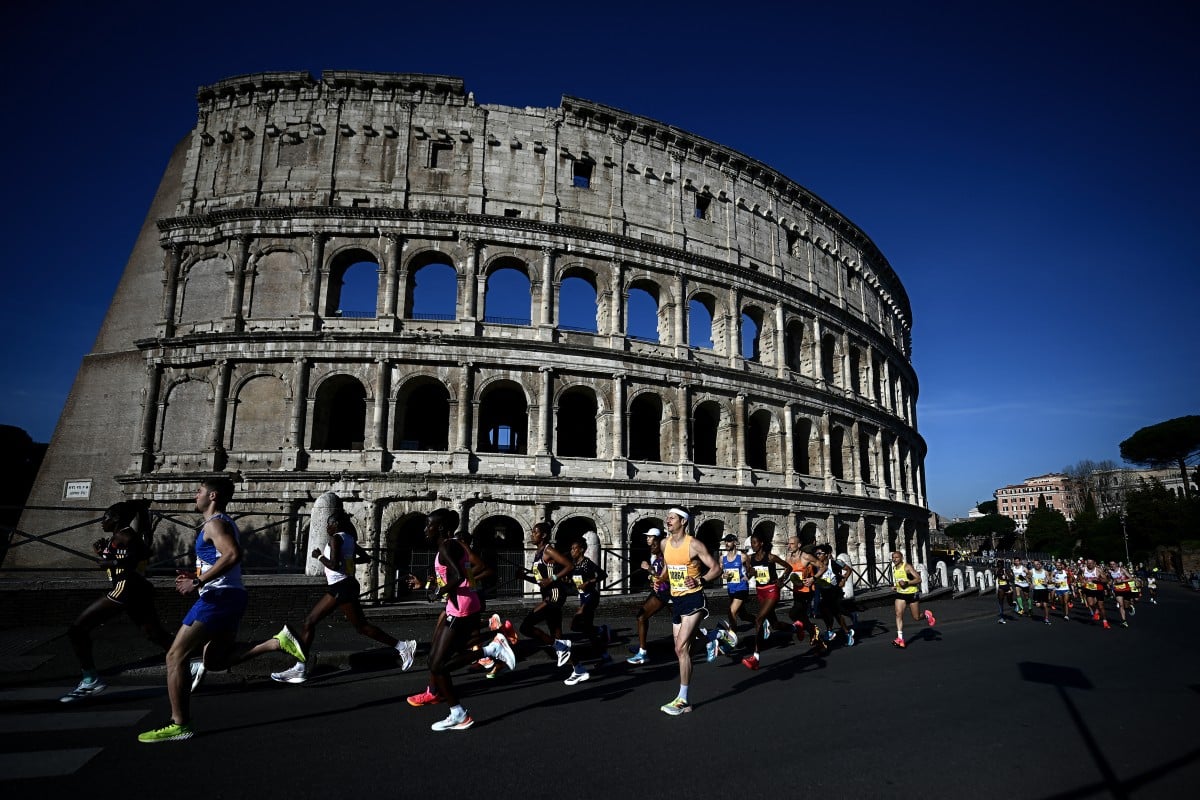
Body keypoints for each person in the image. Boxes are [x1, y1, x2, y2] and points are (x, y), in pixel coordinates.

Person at [138, 477, 309, 743]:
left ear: (213, 496)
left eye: (199, 492)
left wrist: (198, 581)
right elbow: (221, 558)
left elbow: (232, 554)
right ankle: (276, 643)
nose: (195, 496)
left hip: (217, 599)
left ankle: (179, 723)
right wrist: (198, 575)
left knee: (174, 656)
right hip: (230, 596)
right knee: (215, 660)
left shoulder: (215, 523)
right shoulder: (219, 523)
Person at [271, 509, 416, 684]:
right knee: (361, 627)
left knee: (310, 622)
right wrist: (348, 560)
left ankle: (300, 668)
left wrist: (319, 556)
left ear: (336, 524)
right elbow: (365, 558)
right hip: (346, 584)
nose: (326, 526)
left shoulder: (335, 539)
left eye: (329, 523)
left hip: (341, 587)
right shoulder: (349, 538)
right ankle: (403, 646)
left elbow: (333, 564)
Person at [61, 500, 175, 702]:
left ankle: (90, 680)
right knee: (153, 634)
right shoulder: (117, 536)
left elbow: (142, 553)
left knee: (77, 629)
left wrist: (110, 561)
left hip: (125, 588)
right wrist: (103, 554)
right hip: (136, 589)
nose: (101, 522)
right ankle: (190, 659)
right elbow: (123, 556)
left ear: (115, 519)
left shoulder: (125, 534)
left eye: (104, 517)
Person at [417, 507, 515, 732]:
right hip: (462, 602)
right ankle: (458, 712)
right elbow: (462, 575)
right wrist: (435, 586)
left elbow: (460, 576)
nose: (425, 529)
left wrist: (438, 593)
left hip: (460, 607)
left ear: (440, 527)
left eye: (428, 525)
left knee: (438, 664)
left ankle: (491, 651)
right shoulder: (453, 545)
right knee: (436, 660)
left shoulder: (446, 545)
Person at [658, 506, 721, 715]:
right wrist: (660, 580)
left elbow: (716, 568)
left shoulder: (693, 545)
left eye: (672, 518)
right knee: (685, 651)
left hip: (694, 598)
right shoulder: (664, 543)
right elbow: (668, 569)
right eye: (667, 517)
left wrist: (699, 579)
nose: (668, 520)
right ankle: (714, 635)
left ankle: (682, 699)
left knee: (680, 648)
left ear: (683, 521)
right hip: (676, 601)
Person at [517, 521, 574, 666]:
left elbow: (569, 565)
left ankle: (561, 648)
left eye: (535, 532)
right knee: (556, 632)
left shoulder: (548, 550)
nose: (532, 534)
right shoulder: (538, 553)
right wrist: (525, 577)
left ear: (543, 535)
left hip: (554, 595)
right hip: (548, 594)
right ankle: (577, 668)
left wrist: (552, 578)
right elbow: (541, 580)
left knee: (526, 626)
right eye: (533, 532)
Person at [739, 531, 792, 670]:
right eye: (751, 543)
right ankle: (795, 627)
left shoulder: (771, 557)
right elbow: (750, 573)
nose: (753, 545)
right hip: (760, 591)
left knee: (758, 620)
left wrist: (782, 579)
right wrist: (749, 574)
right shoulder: (750, 558)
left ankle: (755, 657)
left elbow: (788, 567)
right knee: (774, 624)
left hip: (772, 590)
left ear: (761, 543)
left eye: (755, 543)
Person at [562, 538, 609, 685]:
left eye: (575, 548)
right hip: (583, 598)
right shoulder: (574, 565)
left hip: (591, 597)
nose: (572, 551)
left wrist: (589, 582)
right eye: (571, 548)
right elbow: (575, 581)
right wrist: (567, 581)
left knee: (575, 623)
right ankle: (604, 647)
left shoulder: (587, 563)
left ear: (581, 549)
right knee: (586, 630)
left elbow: (602, 575)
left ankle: (603, 645)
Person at [627, 527, 670, 665]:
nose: (648, 539)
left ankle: (643, 652)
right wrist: (653, 579)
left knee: (642, 616)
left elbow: (665, 576)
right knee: (641, 616)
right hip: (658, 591)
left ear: (657, 540)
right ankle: (642, 648)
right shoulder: (655, 553)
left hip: (665, 592)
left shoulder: (664, 554)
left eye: (650, 537)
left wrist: (649, 569)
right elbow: (657, 576)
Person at [889, 550, 935, 649]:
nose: (894, 559)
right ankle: (900, 639)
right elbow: (899, 581)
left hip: (912, 593)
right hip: (900, 594)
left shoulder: (907, 567)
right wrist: (896, 587)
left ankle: (926, 615)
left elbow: (919, 579)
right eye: (893, 557)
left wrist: (907, 583)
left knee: (916, 617)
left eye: (896, 557)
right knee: (898, 614)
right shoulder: (894, 568)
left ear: (901, 558)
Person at [814, 544, 856, 646]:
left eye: (820, 553)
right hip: (825, 591)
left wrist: (844, 579)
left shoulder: (836, 563)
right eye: (816, 554)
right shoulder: (816, 565)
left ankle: (845, 633)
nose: (818, 555)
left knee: (835, 612)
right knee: (825, 611)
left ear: (827, 554)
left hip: (835, 591)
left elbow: (849, 570)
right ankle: (836, 631)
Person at [719, 533, 750, 631]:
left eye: (729, 541)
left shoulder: (742, 557)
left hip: (742, 587)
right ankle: (759, 621)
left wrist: (747, 576)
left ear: (735, 542)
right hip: (731, 588)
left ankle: (732, 634)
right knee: (743, 615)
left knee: (731, 611)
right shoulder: (722, 558)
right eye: (725, 542)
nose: (726, 544)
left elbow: (751, 569)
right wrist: (722, 575)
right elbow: (720, 572)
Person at [1108, 560, 1135, 628]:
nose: (1112, 566)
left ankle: (1130, 607)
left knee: (1126, 605)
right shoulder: (1110, 572)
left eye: (1113, 564)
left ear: (1116, 564)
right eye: (1111, 564)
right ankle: (1124, 621)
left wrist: (1122, 581)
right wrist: (1110, 583)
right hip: (1117, 590)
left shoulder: (1122, 570)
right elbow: (1111, 580)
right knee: (1121, 604)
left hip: (1126, 589)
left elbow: (1131, 578)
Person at [1029, 560, 1052, 625]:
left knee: (1045, 605)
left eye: (1039, 564)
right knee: (1038, 605)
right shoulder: (1031, 571)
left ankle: (1046, 618)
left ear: (1041, 565)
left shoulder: (1045, 572)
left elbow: (1049, 580)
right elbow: (1027, 577)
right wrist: (1030, 583)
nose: (1037, 565)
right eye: (1036, 564)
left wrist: (1047, 582)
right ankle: (1041, 603)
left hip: (1044, 590)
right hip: (1036, 590)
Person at [994, 559, 1013, 624]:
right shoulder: (996, 570)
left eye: (1000, 565)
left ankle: (1014, 604)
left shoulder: (1006, 570)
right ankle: (1002, 617)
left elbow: (1012, 578)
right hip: (1001, 587)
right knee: (1000, 601)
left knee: (1009, 602)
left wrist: (1007, 577)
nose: (999, 566)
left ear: (1002, 565)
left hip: (1007, 587)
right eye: (998, 565)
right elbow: (995, 578)